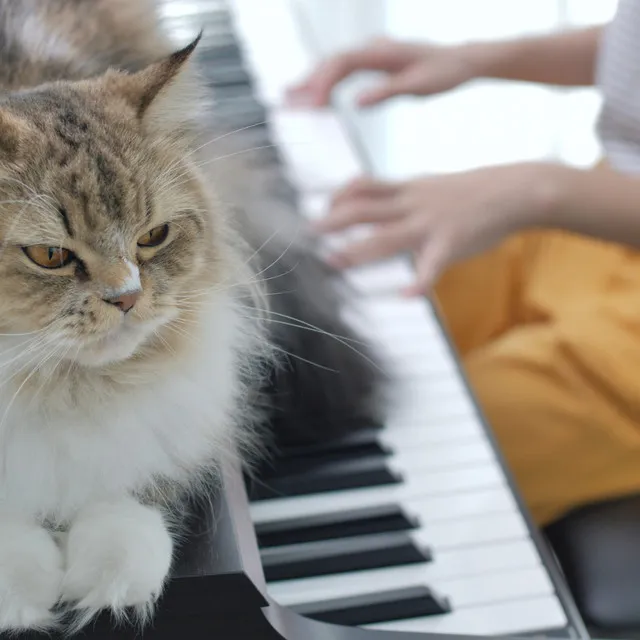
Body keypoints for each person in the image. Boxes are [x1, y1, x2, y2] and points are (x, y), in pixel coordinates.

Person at [287, 1, 640, 527]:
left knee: (424, 448)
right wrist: (479, 57)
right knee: (325, 327)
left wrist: (538, 190)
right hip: (595, 222)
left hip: (591, 225)